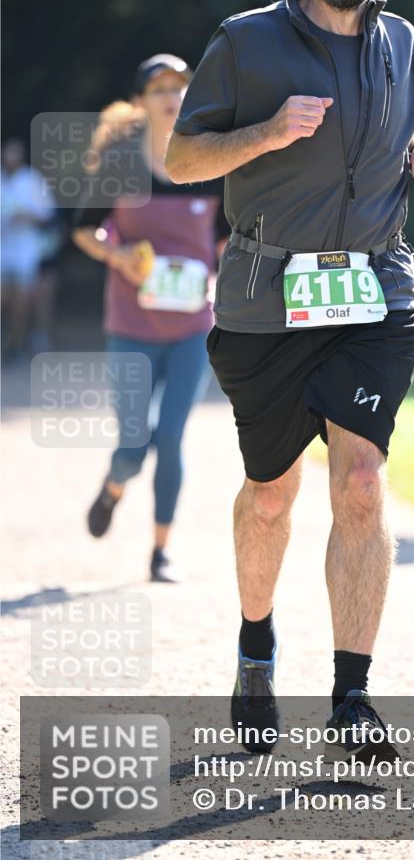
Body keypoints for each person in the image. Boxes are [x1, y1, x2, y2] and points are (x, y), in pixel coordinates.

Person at [165, 0, 414, 759]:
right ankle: (256, 652)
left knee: (361, 483)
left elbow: (409, 135)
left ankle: (351, 697)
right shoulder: (246, 43)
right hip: (266, 299)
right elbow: (180, 158)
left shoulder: (399, 41)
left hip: (375, 296)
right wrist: (264, 134)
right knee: (269, 493)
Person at [72, 54, 230, 582]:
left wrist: (221, 270)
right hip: (132, 326)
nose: (171, 96)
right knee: (134, 443)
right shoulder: (120, 162)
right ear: (141, 102)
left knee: (171, 439)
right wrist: (116, 255)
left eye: (179, 86)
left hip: (191, 326)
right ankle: (115, 485)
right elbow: (86, 229)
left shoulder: (209, 160)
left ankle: (160, 550)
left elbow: (226, 237)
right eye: (159, 88)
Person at [1, 138, 55, 361]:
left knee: (22, 301)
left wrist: (27, 217)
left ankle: (15, 345)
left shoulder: (32, 180)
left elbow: (47, 215)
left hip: (26, 253)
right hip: (3, 251)